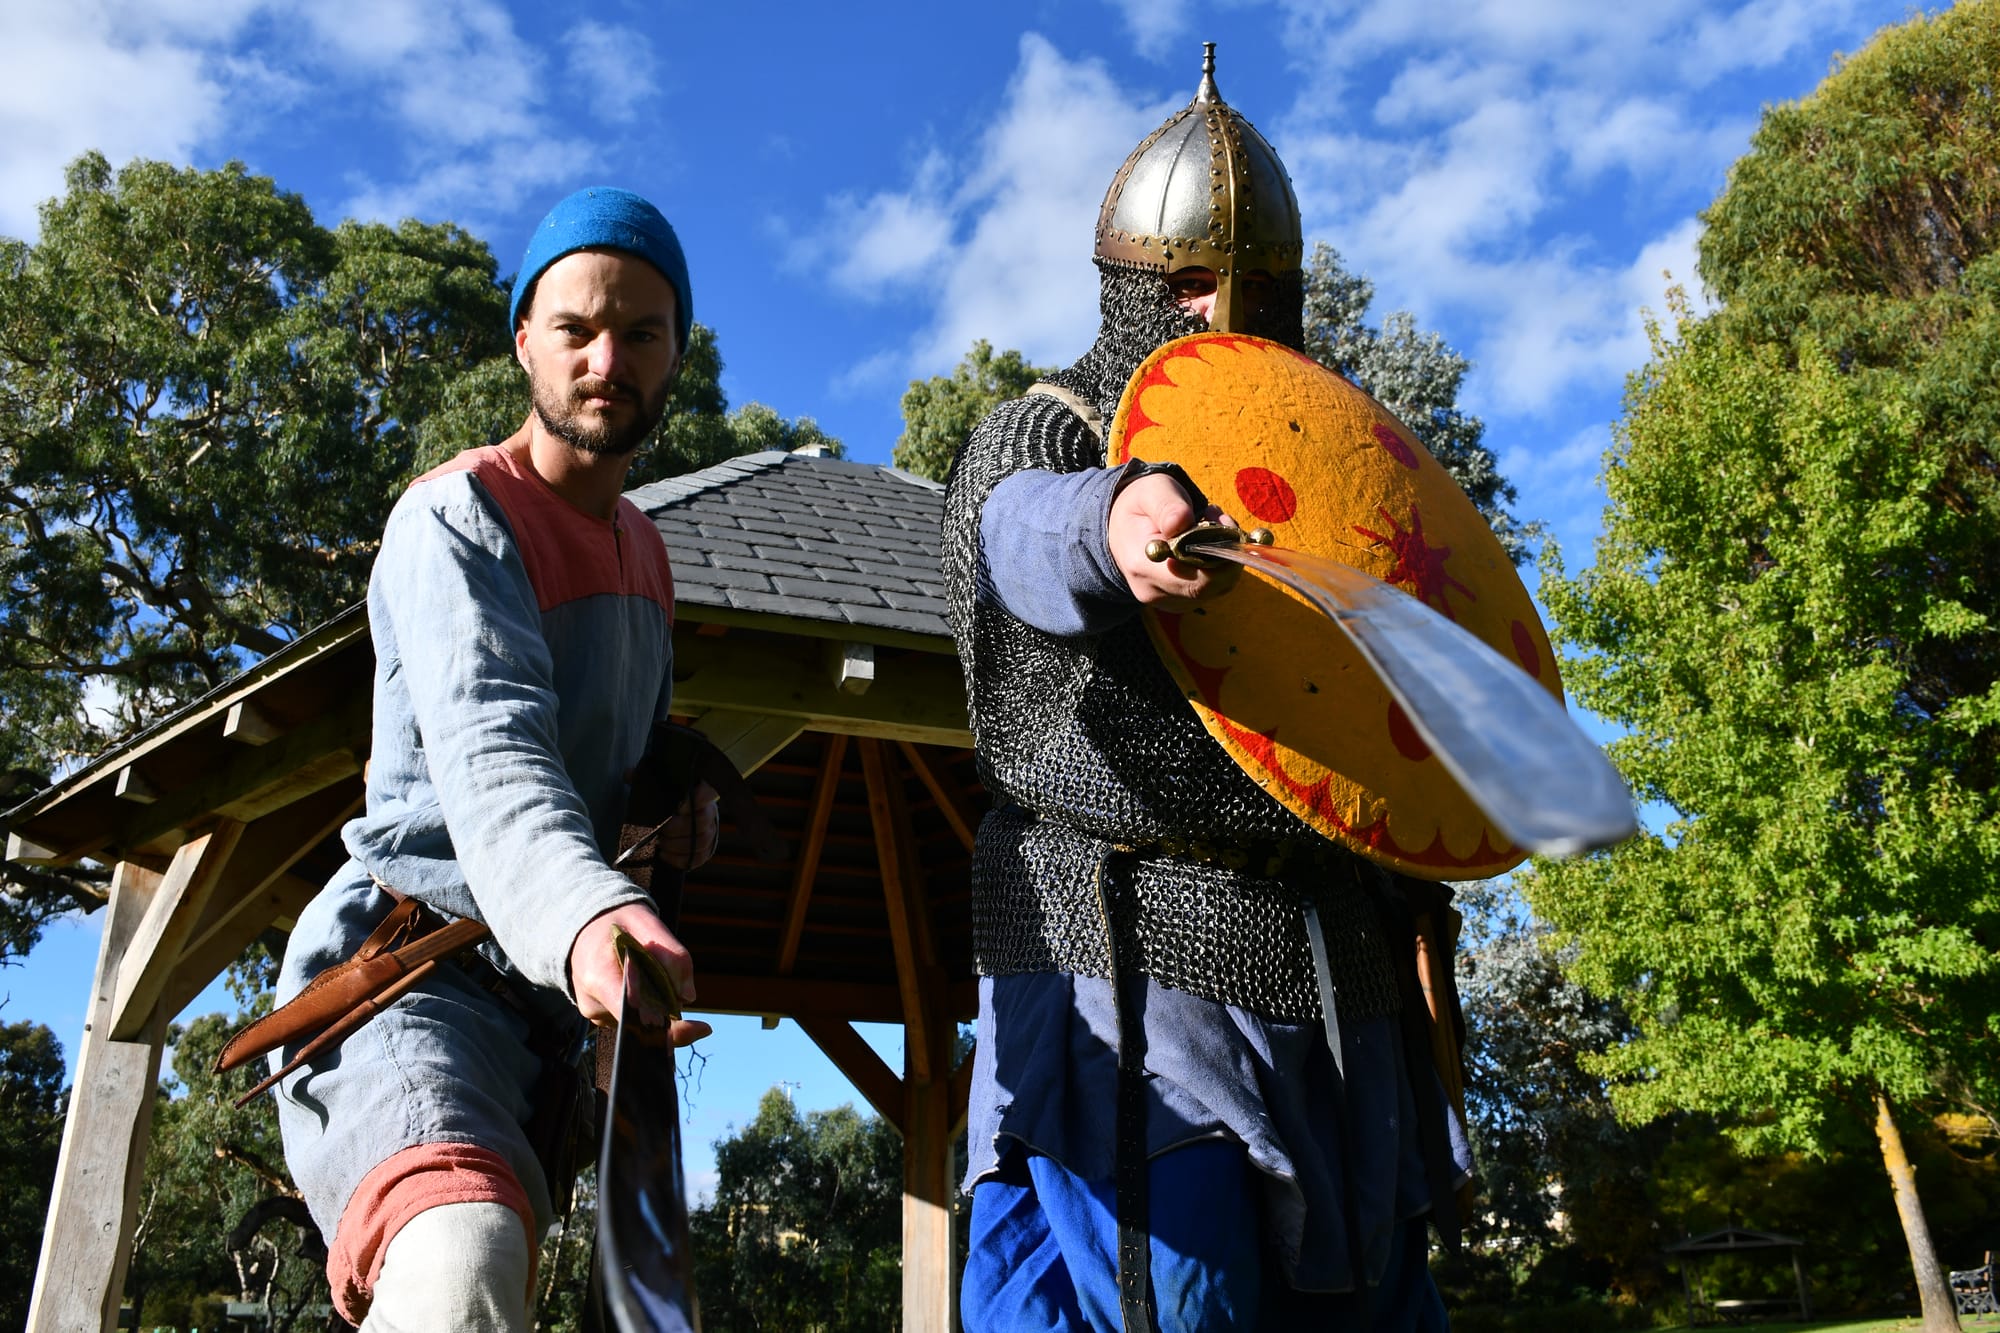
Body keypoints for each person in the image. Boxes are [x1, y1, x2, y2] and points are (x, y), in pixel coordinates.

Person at [943, 47, 1469, 1331]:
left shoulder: (1324, 470)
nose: (1214, 311)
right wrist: (1112, 521)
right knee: (1183, 1301)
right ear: (1124, 283)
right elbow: (1012, 529)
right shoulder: (1050, 427)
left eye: (1249, 286)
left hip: (1336, 964)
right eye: (1181, 282)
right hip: (1124, 954)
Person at [268, 187, 714, 1331]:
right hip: (409, 978)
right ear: (524, 339)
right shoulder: (455, 518)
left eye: (641, 332)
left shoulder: (648, 553)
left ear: (677, 352)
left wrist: (671, 800)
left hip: (542, 1021)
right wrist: (589, 915)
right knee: (460, 1253)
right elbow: (494, 752)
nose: (605, 360)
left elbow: (611, 762)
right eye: (575, 328)